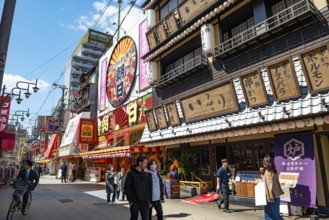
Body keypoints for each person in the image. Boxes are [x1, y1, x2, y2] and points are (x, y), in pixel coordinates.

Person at [125, 156, 150, 220]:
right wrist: (130, 200)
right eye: (145, 163)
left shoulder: (144, 174)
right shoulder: (131, 173)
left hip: (144, 202)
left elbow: (147, 187)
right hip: (135, 202)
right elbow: (127, 187)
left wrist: (148, 200)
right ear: (140, 163)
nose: (146, 165)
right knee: (134, 218)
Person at [263, 155, 282, 220]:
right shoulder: (274, 171)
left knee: (270, 215)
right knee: (275, 213)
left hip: (271, 196)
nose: (263, 163)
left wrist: (270, 197)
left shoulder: (268, 173)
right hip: (277, 195)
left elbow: (270, 186)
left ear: (269, 163)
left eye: (265, 162)